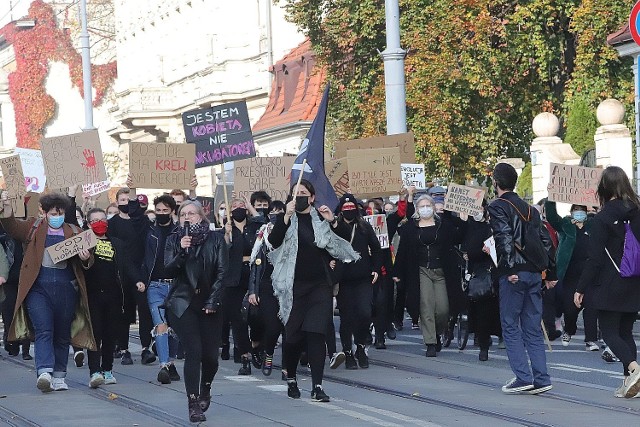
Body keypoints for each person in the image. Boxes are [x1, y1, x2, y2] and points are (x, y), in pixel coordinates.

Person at [268, 179, 359, 402]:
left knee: (316, 334)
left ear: (311, 198)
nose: (298, 196)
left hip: (320, 285)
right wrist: (286, 217)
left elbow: (346, 238)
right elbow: (274, 241)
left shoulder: (321, 218)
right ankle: (291, 378)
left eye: (303, 193)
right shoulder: (285, 219)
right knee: (292, 339)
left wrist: (333, 221)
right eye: (295, 192)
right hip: (294, 287)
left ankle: (317, 386)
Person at [0, 191, 96, 393]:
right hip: (38, 289)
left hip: (66, 289)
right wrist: (6, 209)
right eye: (53, 212)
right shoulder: (33, 227)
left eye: (60, 212)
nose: (57, 216)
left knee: (62, 334)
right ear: (44, 212)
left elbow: (88, 260)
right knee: (44, 329)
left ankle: (59, 376)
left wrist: (85, 257)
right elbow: (12, 228)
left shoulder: (74, 231)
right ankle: (44, 372)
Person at [488, 162, 554, 394]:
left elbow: (503, 237)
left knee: (510, 324)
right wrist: (550, 272)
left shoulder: (498, 207)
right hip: (534, 272)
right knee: (532, 326)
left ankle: (522, 377)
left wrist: (508, 269)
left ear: (496, 182)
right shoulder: (531, 210)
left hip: (514, 272)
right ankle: (542, 377)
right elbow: (546, 241)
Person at [574, 166, 640, 398]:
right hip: (635, 281)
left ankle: (634, 369)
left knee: (610, 332)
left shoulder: (602, 218)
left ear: (604, 187)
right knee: (626, 332)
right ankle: (629, 383)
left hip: (611, 282)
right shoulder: (637, 210)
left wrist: (580, 288)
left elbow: (594, 259)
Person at [164, 200, 227, 423]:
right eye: (183, 214)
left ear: (202, 216)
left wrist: (212, 301)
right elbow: (168, 269)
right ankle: (192, 403)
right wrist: (181, 251)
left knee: (211, 357)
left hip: (210, 303)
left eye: (192, 213)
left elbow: (222, 272)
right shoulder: (173, 239)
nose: (187, 217)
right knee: (194, 351)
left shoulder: (216, 238)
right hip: (183, 303)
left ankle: (205, 387)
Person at [392, 195, 464, 357]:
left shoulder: (444, 225)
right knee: (426, 305)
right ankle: (430, 341)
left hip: (442, 271)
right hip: (421, 270)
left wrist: (460, 218)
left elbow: (459, 236)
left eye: (428, 205)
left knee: (443, 308)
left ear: (433, 207)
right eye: (422, 206)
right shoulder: (411, 228)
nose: (425, 208)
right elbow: (403, 250)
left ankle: (438, 331)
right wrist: (397, 272)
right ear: (417, 210)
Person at [82, 208, 144, 388]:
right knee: (95, 334)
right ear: (88, 224)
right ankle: (94, 371)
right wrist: (84, 258)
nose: (99, 223)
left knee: (110, 335)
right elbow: (79, 266)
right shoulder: (84, 243)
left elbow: (128, 265)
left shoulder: (117, 243)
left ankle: (107, 370)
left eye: (102, 219)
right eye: (95, 221)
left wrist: (137, 280)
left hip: (114, 295)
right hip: (93, 296)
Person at [138, 194, 182, 384]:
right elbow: (134, 217)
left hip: (177, 286)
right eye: (158, 211)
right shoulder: (149, 231)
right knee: (161, 325)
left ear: (172, 211)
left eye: (165, 210)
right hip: (155, 286)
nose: (161, 214)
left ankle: (170, 362)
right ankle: (163, 365)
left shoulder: (180, 232)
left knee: (175, 328)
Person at [108, 187, 155, 366]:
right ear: (117, 202)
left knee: (144, 310)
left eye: (129, 200)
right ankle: (124, 348)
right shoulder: (112, 224)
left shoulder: (142, 221)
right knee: (124, 312)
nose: (126, 203)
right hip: (121, 274)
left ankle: (145, 348)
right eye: (122, 200)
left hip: (141, 272)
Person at [334, 194, 382, 368]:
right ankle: (348, 353)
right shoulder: (335, 228)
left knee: (364, 313)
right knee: (347, 318)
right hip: (343, 280)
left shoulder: (364, 227)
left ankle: (360, 346)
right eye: (345, 209)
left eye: (351, 208)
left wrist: (376, 269)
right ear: (340, 210)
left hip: (363, 278)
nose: (349, 211)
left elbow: (377, 249)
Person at [221, 195, 267, 375]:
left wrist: (250, 206)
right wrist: (226, 234)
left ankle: (256, 343)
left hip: (254, 273)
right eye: (235, 205)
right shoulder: (226, 229)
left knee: (257, 314)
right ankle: (245, 356)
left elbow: (265, 223)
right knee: (237, 319)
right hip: (233, 277)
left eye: (242, 205)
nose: (239, 207)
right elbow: (223, 253)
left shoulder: (254, 227)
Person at [544, 201, 598, 350]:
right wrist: (551, 198)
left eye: (582, 210)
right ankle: (569, 329)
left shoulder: (593, 225)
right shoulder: (566, 225)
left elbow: (604, 222)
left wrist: (598, 207)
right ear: (572, 211)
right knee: (570, 307)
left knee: (591, 306)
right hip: (570, 274)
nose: (579, 213)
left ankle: (591, 339)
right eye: (576, 210)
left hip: (589, 273)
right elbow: (552, 217)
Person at [247, 201, 286, 376]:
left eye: (280, 212)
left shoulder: (292, 231)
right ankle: (268, 352)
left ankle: (288, 366)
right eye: (272, 212)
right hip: (267, 287)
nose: (275, 215)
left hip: (288, 286)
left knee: (290, 329)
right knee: (272, 326)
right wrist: (253, 290)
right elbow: (256, 264)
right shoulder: (262, 235)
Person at [461, 202, 501, 361]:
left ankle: (485, 342)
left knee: (487, 308)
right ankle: (481, 338)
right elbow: (463, 245)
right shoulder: (468, 227)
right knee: (476, 308)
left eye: (480, 209)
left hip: (489, 271)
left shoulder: (491, 227)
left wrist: (484, 251)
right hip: (474, 273)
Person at [0, 221, 31, 360]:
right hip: (9, 282)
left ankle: (26, 349)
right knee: (9, 313)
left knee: (26, 313)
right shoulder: (4, 239)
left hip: (25, 280)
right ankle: (10, 340)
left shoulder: (28, 237)